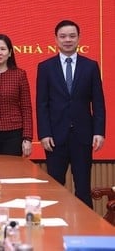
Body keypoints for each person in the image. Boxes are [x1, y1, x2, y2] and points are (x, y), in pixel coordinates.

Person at [36, 20, 106, 208]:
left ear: (79, 38)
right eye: (63, 36)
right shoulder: (45, 67)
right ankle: (53, 232)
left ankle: (86, 233)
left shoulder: (90, 66)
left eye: (72, 36)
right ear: (56, 39)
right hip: (55, 138)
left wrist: (99, 131)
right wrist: (44, 133)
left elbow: (98, 102)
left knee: (83, 188)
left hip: (83, 136)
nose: (68, 40)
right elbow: (42, 104)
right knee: (55, 186)